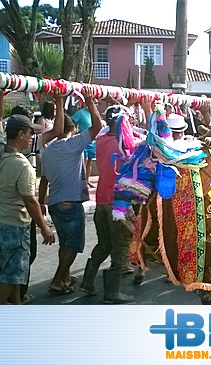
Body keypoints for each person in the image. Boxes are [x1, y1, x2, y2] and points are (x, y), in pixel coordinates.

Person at [0, 88, 55, 305]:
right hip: (14, 226)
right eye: (30, 133)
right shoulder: (23, 166)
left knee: (13, 271)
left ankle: (17, 304)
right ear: (21, 134)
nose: (32, 137)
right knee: (11, 276)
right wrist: (44, 227)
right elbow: (30, 201)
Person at [40, 94, 102, 295]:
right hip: (69, 203)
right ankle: (57, 280)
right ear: (73, 129)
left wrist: (41, 202)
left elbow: (44, 180)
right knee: (73, 245)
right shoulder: (71, 144)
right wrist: (91, 103)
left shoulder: (47, 149)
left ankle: (65, 277)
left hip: (55, 204)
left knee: (65, 244)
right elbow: (97, 128)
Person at [78, 105, 136, 304]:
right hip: (118, 204)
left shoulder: (101, 140)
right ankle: (112, 293)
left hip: (102, 201)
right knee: (121, 248)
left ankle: (87, 281)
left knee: (104, 244)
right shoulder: (125, 145)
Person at [71, 104, 96, 188]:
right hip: (83, 139)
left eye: (96, 103)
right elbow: (72, 121)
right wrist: (74, 131)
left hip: (92, 141)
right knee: (84, 160)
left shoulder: (94, 113)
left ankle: (87, 180)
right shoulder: (80, 113)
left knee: (90, 161)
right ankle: (83, 181)